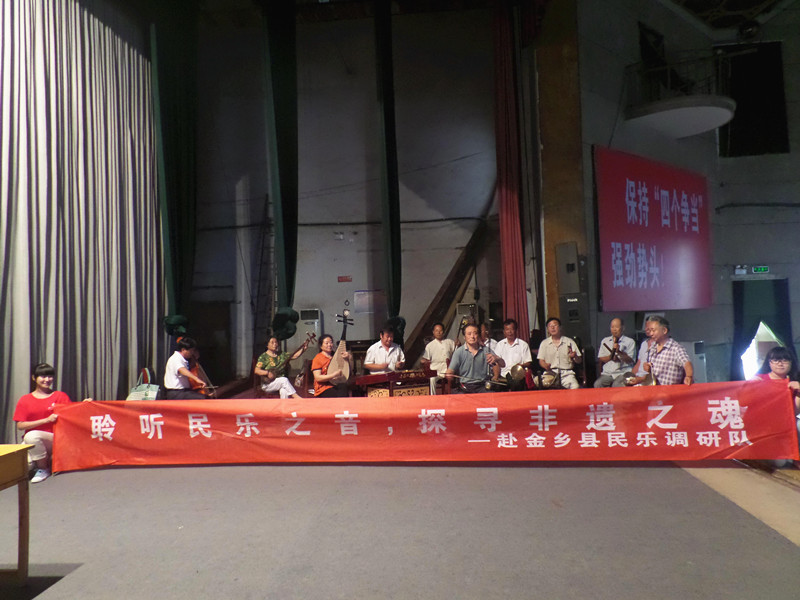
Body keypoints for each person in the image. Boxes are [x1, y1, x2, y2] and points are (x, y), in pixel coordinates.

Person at [13, 363, 72, 483]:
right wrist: (46, 420)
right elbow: (20, 425)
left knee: (31, 436)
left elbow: (73, 414)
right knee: (23, 467)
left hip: (54, 438)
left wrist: (85, 404)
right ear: (34, 378)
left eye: (50, 376)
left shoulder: (60, 396)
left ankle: (43, 468)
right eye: (43, 376)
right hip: (33, 443)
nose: (47, 380)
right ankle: (47, 461)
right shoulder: (25, 400)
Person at [751, 346, 800, 468]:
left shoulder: (794, 382)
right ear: (769, 362)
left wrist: (799, 393)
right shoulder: (759, 379)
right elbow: (744, 403)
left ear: (791, 363)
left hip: (786, 426)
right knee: (779, 462)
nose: (780, 363)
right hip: (765, 428)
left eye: (785, 360)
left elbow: (795, 412)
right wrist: (750, 387)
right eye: (776, 360)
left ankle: (796, 456)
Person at [446, 322, 500, 393]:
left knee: (492, 395)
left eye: (475, 333)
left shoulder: (486, 350)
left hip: (482, 385)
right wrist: (449, 376)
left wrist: (496, 376)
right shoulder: (459, 352)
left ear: (478, 335)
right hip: (465, 386)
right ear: (464, 337)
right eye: (469, 334)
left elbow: (496, 364)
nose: (472, 336)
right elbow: (450, 372)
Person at [642, 315, 693, 386]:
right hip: (656, 388)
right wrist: (648, 368)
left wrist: (689, 376)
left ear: (664, 330)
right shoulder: (653, 347)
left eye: (653, 330)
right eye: (649, 331)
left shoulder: (675, 348)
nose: (651, 334)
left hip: (671, 390)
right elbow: (653, 372)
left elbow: (686, 363)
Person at [537, 317, 583, 389]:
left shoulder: (569, 342)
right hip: (550, 373)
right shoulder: (544, 343)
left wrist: (575, 356)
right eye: (550, 326)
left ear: (560, 327)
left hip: (567, 374)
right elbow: (541, 361)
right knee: (543, 386)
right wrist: (545, 366)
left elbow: (579, 360)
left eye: (555, 325)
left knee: (575, 387)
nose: (552, 328)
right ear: (547, 329)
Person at [594, 318, 636, 388]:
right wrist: (610, 357)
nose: (614, 329)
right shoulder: (605, 341)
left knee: (616, 385)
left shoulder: (630, 341)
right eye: (612, 327)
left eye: (616, 327)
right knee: (597, 384)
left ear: (623, 328)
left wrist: (619, 352)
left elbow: (631, 360)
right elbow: (601, 358)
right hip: (608, 373)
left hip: (623, 373)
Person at [493, 319, 533, 390]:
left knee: (516, 385)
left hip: (518, 376)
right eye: (507, 329)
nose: (509, 332)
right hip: (503, 375)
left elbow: (528, 362)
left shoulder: (523, 345)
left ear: (516, 330)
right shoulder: (500, 345)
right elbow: (496, 363)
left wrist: (521, 366)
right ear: (504, 332)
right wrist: (496, 376)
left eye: (512, 329)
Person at [420, 322, 455, 394]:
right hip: (436, 371)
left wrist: (458, 344)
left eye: (440, 330)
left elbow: (456, 353)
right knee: (432, 379)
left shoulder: (450, 342)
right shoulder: (429, 346)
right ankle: (433, 397)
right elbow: (425, 359)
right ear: (433, 332)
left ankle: (452, 396)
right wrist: (423, 361)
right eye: (436, 331)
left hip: (447, 370)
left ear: (443, 331)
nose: (439, 332)